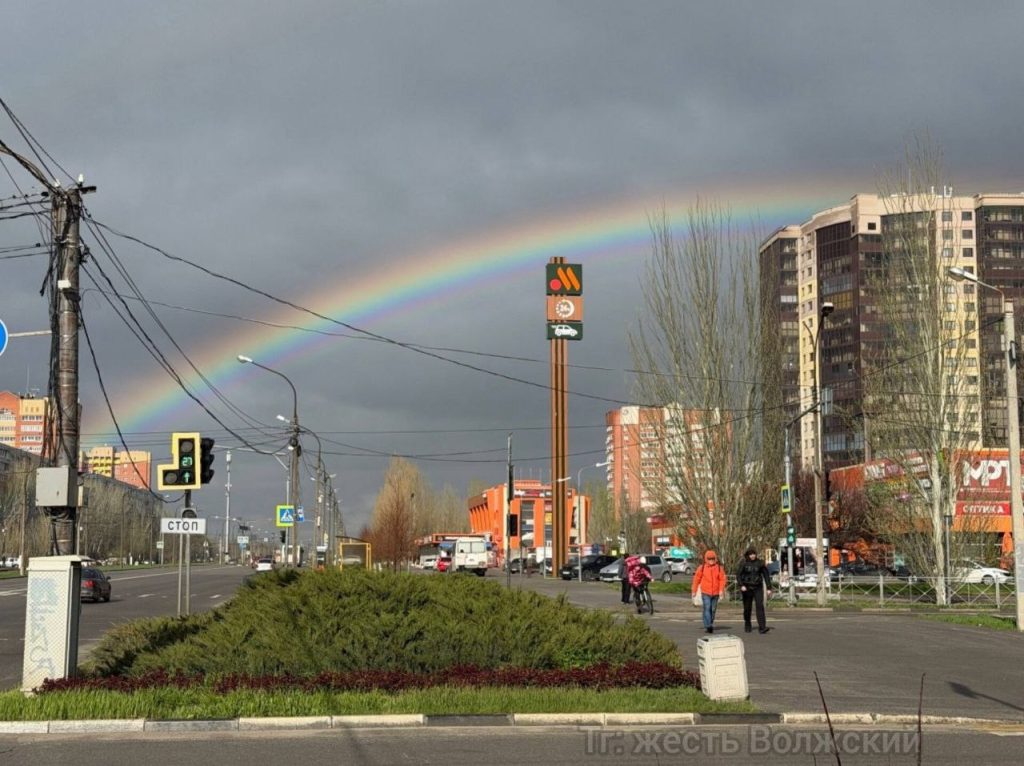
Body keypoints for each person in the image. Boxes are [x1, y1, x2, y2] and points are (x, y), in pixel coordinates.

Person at [736, 547, 772, 634]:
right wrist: (741, 585)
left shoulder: (760, 563)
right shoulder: (744, 563)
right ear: (748, 555)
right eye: (750, 554)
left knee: (760, 606)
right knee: (747, 608)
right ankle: (747, 623)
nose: (752, 556)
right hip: (747, 588)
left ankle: (762, 627)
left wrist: (769, 588)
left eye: (754, 554)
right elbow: (738, 575)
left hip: (758, 587)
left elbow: (766, 575)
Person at [691, 549, 726, 633]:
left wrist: (721, 590)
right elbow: (696, 579)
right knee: (707, 608)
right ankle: (708, 625)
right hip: (705, 592)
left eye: (712, 559)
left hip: (716, 593)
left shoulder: (719, 568)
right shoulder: (702, 568)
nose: (711, 561)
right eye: (709, 559)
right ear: (706, 559)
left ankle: (709, 622)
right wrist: (694, 590)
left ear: (715, 559)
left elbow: (722, 579)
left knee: (713, 610)